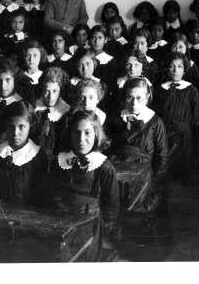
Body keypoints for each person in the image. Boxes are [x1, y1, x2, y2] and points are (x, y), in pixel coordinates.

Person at [51, 110, 120, 240]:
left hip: (91, 231)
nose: (81, 139)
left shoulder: (104, 167)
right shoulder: (60, 161)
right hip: (59, 224)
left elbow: (111, 210)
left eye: (87, 133)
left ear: (96, 135)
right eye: (76, 132)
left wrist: (101, 237)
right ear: (70, 135)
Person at [108, 77, 168, 212]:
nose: (134, 103)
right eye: (130, 97)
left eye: (139, 98)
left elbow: (162, 159)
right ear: (125, 98)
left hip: (144, 181)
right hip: (117, 177)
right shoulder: (116, 119)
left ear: (147, 98)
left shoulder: (155, 122)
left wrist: (153, 188)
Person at [154, 52, 199, 180]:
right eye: (172, 66)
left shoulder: (191, 90)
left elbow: (196, 115)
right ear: (167, 69)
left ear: (184, 69)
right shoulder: (161, 89)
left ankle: (183, 176)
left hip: (183, 131)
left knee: (183, 156)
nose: (175, 70)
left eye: (179, 66)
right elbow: (156, 111)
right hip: (165, 129)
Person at [0, 101, 47, 204]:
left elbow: (40, 195)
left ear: (30, 126)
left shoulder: (37, 156)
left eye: (21, 127)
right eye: (10, 127)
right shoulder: (0, 152)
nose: (15, 133)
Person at [32, 67, 71, 171]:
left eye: (54, 91)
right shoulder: (34, 109)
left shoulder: (66, 112)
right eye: (47, 91)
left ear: (60, 91)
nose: (50, 96)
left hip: (57, 160)